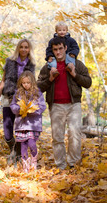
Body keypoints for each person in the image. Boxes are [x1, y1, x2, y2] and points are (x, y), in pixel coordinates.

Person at [37, 36, 92, 170]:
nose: (58, 52)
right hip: (56, 105)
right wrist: (50, 78)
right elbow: (38, 87)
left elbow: (88, 82)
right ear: (52, 50)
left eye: (60, 48)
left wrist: (74, 74)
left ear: (65, 48)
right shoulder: (48, 67)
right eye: (55, 49)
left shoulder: (76, 64)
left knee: (74, 133)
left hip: (74, 104)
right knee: (57, 137)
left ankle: (73, 164)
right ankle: (60, 166)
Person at [0, 39, 36, 165]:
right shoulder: (9, 61)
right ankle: (14, 149)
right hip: (7, 97)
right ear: (18, 48)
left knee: (20, 130)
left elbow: (32, 84)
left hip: (22, 100)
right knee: (7, 132)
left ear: (29, 49)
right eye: (21, 47)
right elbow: (2, 81)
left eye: (26, 47)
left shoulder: (31, 64)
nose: (23, 49)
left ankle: (17, 155)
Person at [10, 71, 46, 172]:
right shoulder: (18, 93)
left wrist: (34, 110)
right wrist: (18, 109)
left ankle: (34, 161)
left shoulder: (37, 93)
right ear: (21, 83)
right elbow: (13, 105)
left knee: (31, 143)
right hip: (21, 124)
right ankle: (25, 164)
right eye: (24, 83)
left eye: (28, 83)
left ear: (32, 82)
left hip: (33, 124)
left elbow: (42, 106)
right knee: (23, 145)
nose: (26, 85)